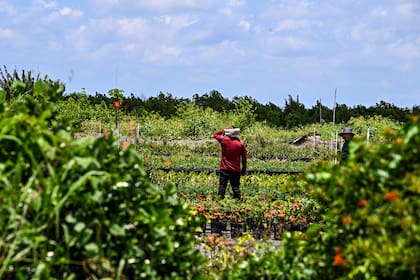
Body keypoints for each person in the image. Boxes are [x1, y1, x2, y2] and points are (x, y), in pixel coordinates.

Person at [213, 125, 247, 199]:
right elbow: (244, 158)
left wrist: (224, 130)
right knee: (236, 188)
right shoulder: (240, 143)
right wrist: (243, 169)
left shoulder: (224, 140)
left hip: (224, 168)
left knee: (222, 187)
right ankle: (237, 202)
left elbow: (215, 134)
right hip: (235, 170)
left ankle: (220, 202)